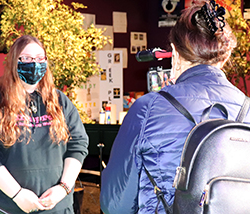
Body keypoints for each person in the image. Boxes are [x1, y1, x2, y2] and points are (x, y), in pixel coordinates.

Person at [100, 1, 249, 213]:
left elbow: (114, 204)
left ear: (175, 53)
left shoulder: (148, 108)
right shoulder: (247, 109)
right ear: (225, 56)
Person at [0, 35, 89, 214]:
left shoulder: (60, 102)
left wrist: (63, 188)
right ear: (13, 62)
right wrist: (17, 194)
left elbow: (78, 144)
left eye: (40, 58)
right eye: (26, 58)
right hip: (10, 207)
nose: (34, 63)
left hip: (58, 207)